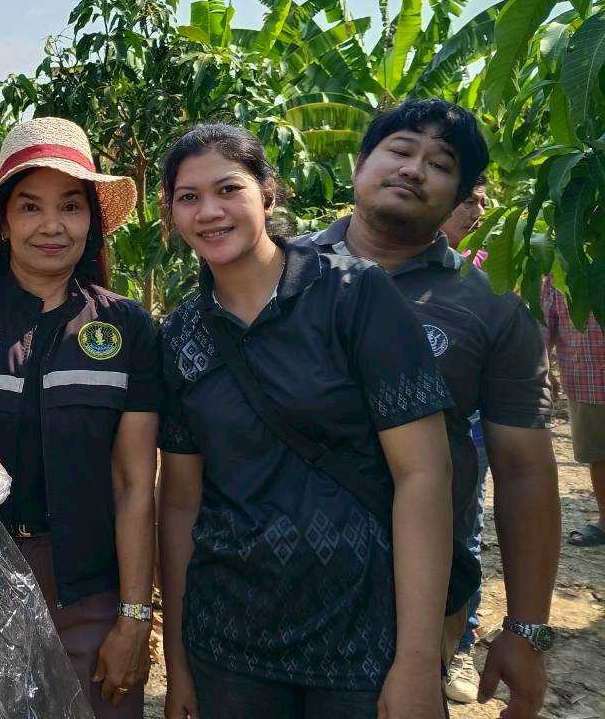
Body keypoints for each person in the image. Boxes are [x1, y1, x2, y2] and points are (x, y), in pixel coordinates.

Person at [157, 123, 455, 719]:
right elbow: (182, 502)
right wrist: (180, 662)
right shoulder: (181, 332)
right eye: (188, 197)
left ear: (268, 194)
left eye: (228, 189)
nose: (209, 211)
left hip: (361, 641)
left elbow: (423, 475)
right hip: (229, 647)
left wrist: (419, 661)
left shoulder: (355, 296)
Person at [307, 99, 559, 719]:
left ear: (462, 198)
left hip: (414, 603)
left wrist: (526, 629)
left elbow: (524, 468)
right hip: (258, 585)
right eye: (399, 150)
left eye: (440, 164)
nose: (414, 169)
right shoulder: (274, 274)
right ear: (360, 163)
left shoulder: (491, 307)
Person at [0, 116, 159, 719]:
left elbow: (135, 484)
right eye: (30, 207)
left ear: (91, 221)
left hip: (92, 589)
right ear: (3, 222)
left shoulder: (127, 327)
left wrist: (134, 618)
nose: (51, 226)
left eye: (70, 207)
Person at [439, 179, 490, 703]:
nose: (478, 210)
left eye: (482, 201)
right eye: (469, 200)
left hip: (466, 422)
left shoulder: (485, 265)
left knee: (463, 533)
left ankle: (460, 646)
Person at [542, 278, 605, 548]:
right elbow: (544, 324)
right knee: (598, 453)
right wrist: (542, 369)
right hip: (588, 380)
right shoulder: (561, 269)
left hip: (586, 378)